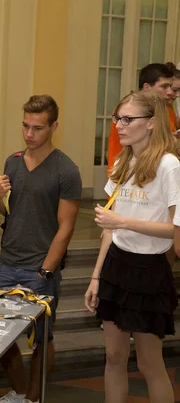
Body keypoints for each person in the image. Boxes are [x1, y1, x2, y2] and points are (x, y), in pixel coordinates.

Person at [85, 89, 180, 403]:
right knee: (113, 356)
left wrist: (123, 222)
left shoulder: (169, 166)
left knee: (150, 363)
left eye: (127, 119)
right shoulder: (122, 162)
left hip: (149, 270)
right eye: (117, 119)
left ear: (151, 123)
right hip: (116, 264)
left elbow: (173, 231)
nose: (119, 126)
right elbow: (109, 229)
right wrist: (97, 276)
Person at [0, 95, 82, 403]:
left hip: (40, 268)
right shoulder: (13, 161)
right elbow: (6, 210)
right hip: (7, 263)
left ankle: (33, 397)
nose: (29, 134)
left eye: (38, 128)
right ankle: (18, 393)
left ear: (54, 126)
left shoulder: (66, 170)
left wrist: (46, 270)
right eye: (25, 126)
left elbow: (66, 227)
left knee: (42, 338)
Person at [107, 63, 176, 171]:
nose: (171, 92)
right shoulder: (125, 116)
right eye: (164, 86)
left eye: (171, 87)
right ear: (147, 87)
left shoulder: (169, 113)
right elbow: (117, 154)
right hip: (129, 174)